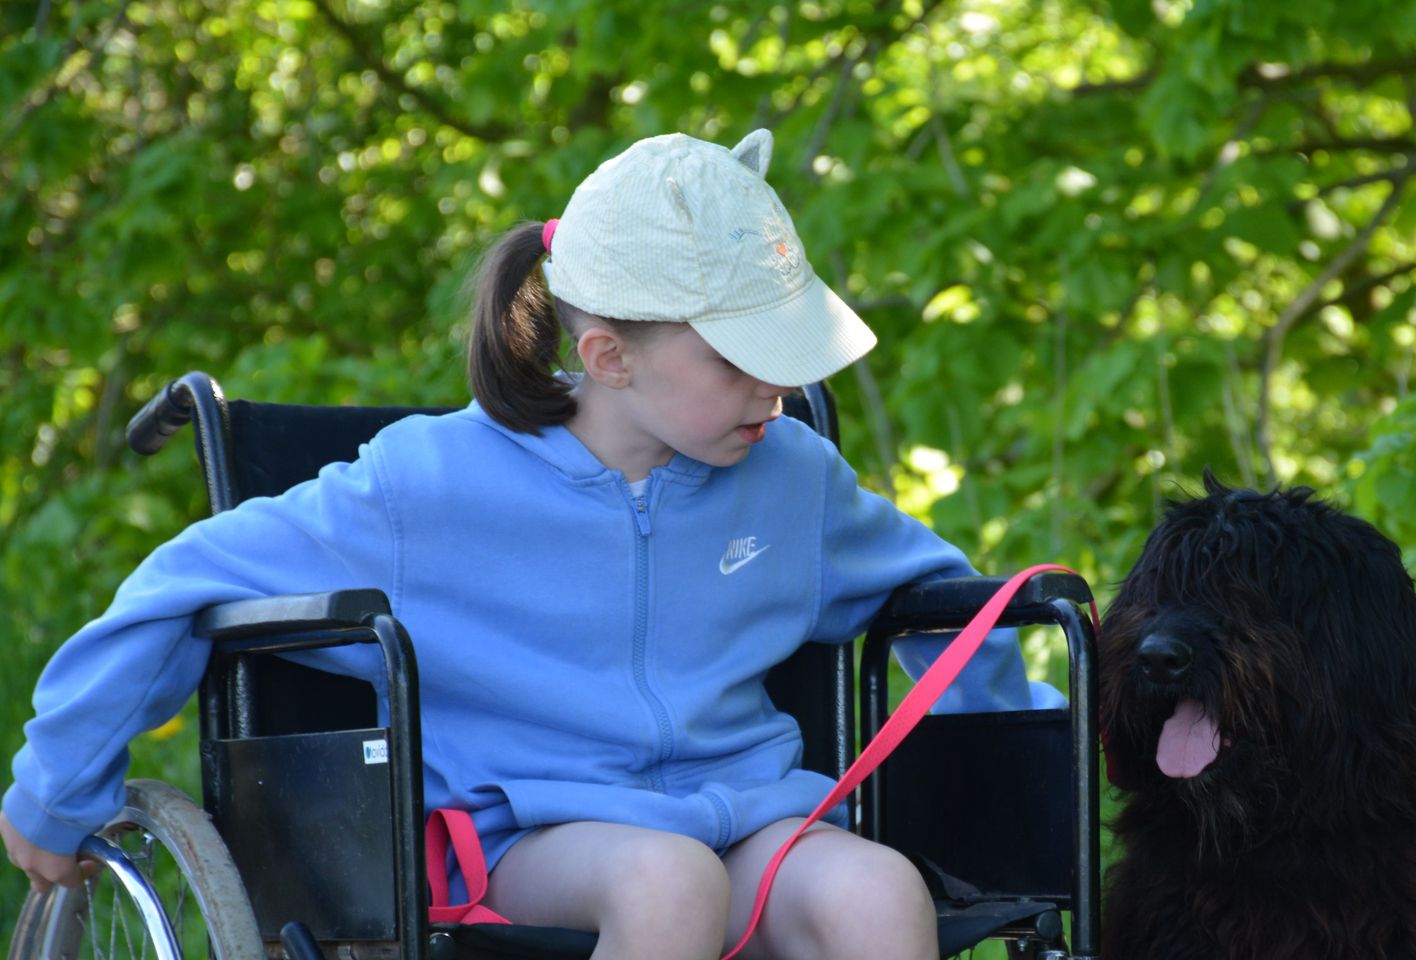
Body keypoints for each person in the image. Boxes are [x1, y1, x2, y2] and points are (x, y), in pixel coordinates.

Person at [2, 129, 1064, 960]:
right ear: (607, 355)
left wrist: (1029, 774)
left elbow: (947, 602)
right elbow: (186, 581)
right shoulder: (428, 487)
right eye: (742, 359)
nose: (774, 388)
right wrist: (59, 789)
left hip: (743, 820)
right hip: (524, 840)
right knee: (667, 884)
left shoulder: (793, 480)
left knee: (878, 893)